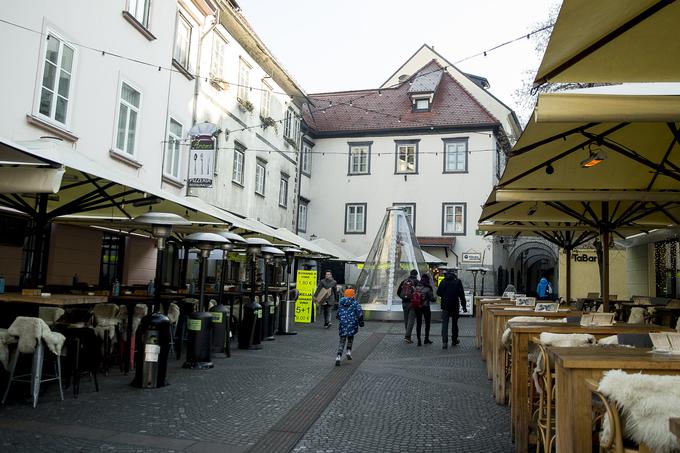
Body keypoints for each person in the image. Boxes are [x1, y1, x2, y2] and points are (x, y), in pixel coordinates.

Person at [437, 270, 466, 349]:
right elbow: (462, 295)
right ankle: (454, 340)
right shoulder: (457, 282)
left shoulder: (443, 281)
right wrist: (464, 306)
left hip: (445, 305)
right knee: (454, 323)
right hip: (454, 305)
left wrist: (444, 295)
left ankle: (444, 342)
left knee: (445, 324)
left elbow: (438, 293)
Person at [335, 288, 364, 366]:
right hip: (352, 324)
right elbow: (360, 314)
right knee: (350, 338)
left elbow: (338, 314)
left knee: (342, 340)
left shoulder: (341, 303)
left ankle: (338, 356)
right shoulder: (355, 303)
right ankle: (348, 351)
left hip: (343, 324)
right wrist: (361, 323)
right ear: (353, 295)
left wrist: (340, 318)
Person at [397, 269, 420, 343]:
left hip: (404, 303)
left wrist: (404, 298)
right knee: (411, 320)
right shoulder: (417, 282)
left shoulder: (404, 281)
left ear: (410, 274)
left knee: (406, 319)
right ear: (416, 275)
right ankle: (407, 336)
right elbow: (419, 293)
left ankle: (408, 336)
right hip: (412, 303)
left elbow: (398, 292)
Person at [415, 274, 436, 346]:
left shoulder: (416, 287)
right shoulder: (428, 288)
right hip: (426, 307)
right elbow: (432, 299)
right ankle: (426, 339)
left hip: (417, 307)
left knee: (418, 323)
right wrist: (435, 299)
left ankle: (419, 340)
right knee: (427, 323)